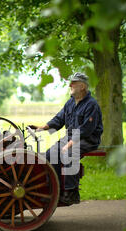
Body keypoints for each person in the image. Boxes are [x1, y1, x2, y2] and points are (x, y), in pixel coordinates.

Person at [29, 72, 103, 205]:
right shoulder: (70, 102)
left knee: (68, 153)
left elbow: (86, 130)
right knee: (49, 155)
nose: (70, 85)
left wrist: (69, 144)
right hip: (70, 137)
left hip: (87, 139)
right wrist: (41, 128)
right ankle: (55, 190)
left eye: (73, 83)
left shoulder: (92, 105)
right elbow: (58, 120)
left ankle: (71, 193)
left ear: (82, 86)